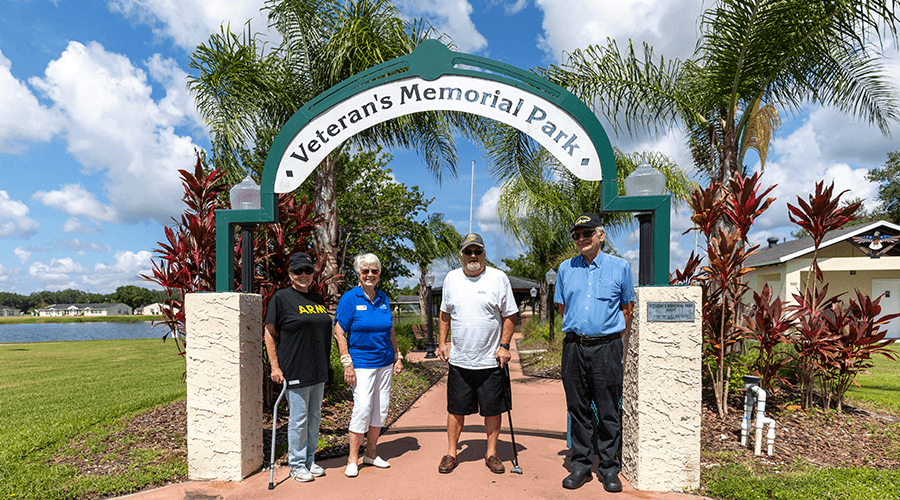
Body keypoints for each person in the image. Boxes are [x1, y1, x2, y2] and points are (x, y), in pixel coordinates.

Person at [554, 213, 635, 492]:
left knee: (608, 408)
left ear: (601, 235)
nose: (581, 239)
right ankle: (580, 466)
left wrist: (606, 336)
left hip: (607, 348)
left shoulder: (621, 267)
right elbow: (563, 308)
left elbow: (627, 309)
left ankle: (609, 468)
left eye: (586, 234)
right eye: (576, 235)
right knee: (577, 408)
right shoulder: (565, 269)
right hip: (574, 347)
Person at [436, 233, 518, 475]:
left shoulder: (498, 278)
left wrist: (504, 345)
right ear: (461, 255)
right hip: (460, 361)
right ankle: (451, 453)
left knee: (493, 409)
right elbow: (444, 313)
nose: (473, 256)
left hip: (490, 361)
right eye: (468, 252)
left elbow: (509, 314)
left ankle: (491, 453)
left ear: (484, 254)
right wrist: (442, 342)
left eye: (477, 251)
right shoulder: (451, 278)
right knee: (455, 409)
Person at [264, 252, 333, 483]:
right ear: (290, 274)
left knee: (314, 417)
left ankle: (310, 460)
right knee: (299, 419)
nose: (303, 275)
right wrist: (275, 367)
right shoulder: (281, 298)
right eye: (298, 271)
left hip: (318, 368)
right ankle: (296, 464)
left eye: (307, 271)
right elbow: (269, 334)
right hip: (295, 368)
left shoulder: (317, 299)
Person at [333, 253, 403, 478]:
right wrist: (347, 364)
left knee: (380, 408)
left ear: (379, 275)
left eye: (374, 271)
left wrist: (398, 355)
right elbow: (339, 331)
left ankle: (371, 454)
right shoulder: (349, 298)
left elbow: (389, 329)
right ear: (358, 274)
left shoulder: (383, 298)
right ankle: (352, 459)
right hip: (361, 364)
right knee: (362, 408)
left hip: (384, 363)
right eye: (366, 271)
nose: (370, 275)